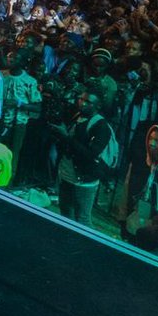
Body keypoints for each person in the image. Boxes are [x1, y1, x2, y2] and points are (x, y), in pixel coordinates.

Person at [48, 91, 112, 227]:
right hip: (67, 174)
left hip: (84, 179)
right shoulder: (77, 116)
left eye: (88, 102)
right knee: (66, 211)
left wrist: (66, 137)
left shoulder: (101, 126)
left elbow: (90, 154)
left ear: (98, 106)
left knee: (82, 217)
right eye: (81, 99)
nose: (82, 103)